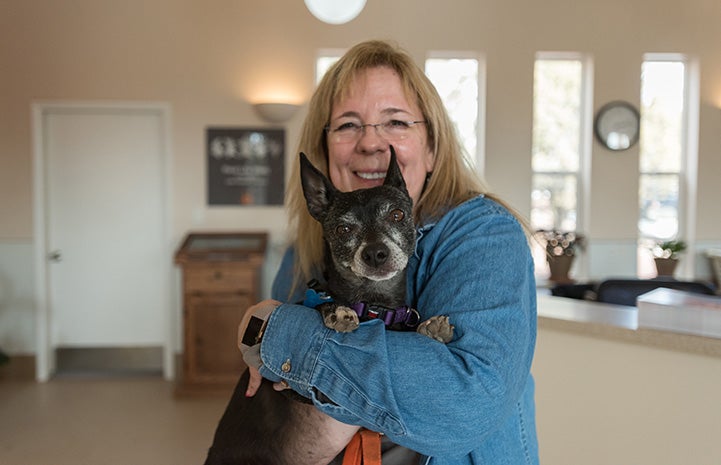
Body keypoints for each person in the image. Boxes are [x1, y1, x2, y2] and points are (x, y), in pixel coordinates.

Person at [239, 39, 539, 465]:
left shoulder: (484, 235)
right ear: (324, 153)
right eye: (347, 125)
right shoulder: (302, 252)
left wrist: (279, 332)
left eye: (396, 122)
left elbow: (463, 403)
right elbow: (273, 407)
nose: (371, 143)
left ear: (432, 148)